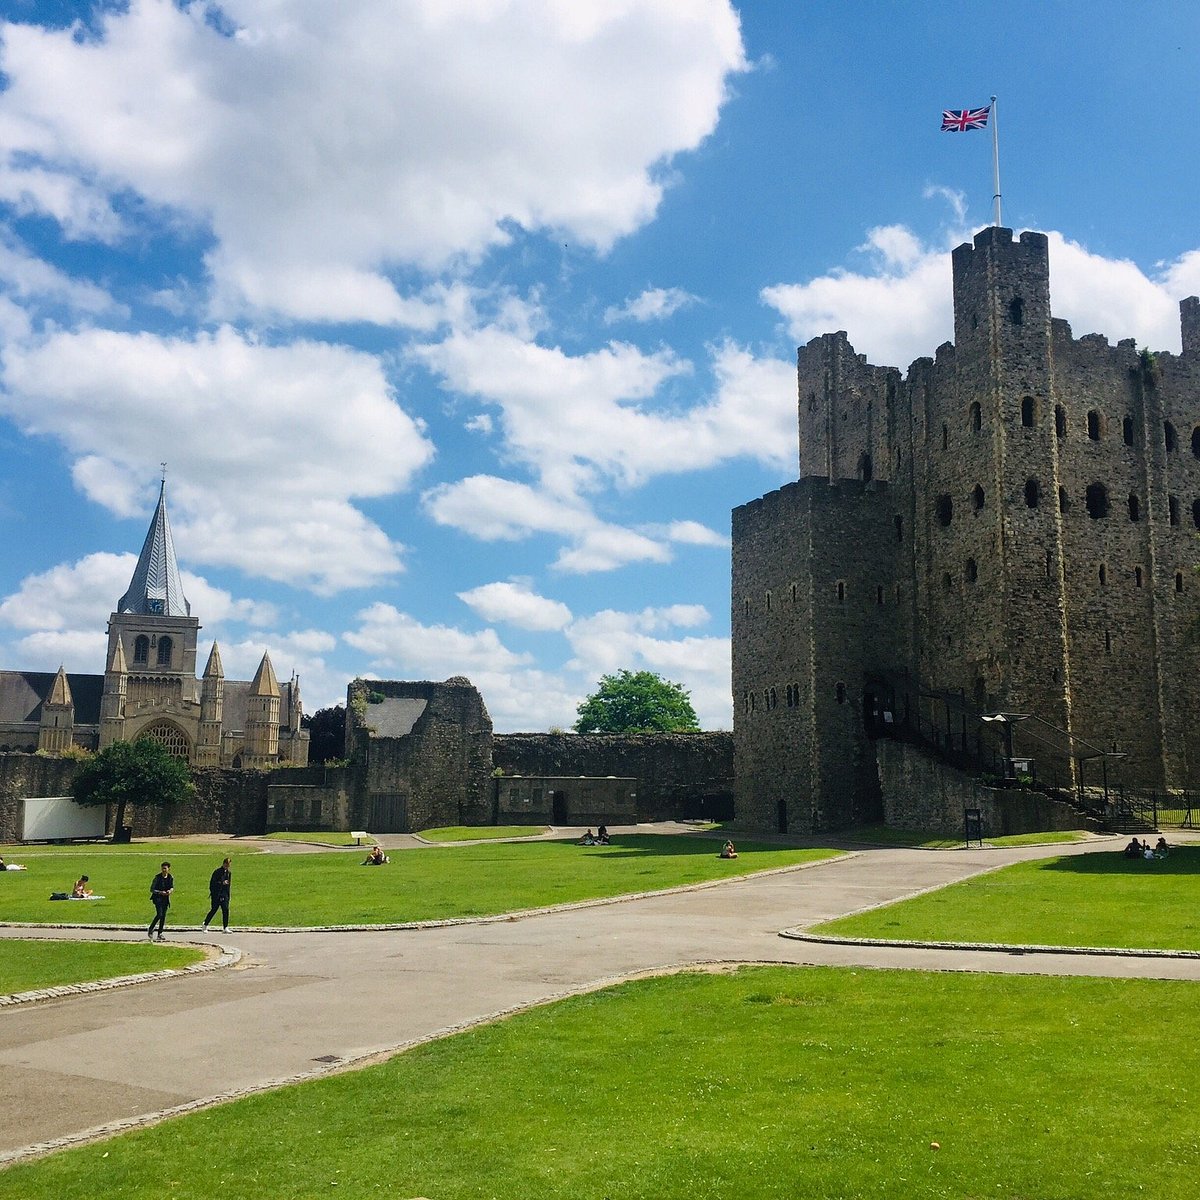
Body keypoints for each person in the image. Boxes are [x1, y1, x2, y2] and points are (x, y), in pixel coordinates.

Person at [203, 857, 232, 932]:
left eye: (228, 865)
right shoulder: (217, 872)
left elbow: (228, 885)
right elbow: (212, 884)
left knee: (226, 910)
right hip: (216, 894)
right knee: (214, 909)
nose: (227, 866)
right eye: (226, 864)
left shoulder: (229, 873)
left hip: (224, 894)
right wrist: (221, 883)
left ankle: (225, 927)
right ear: (223, 863)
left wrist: (228, 895)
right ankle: (205, 924)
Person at [148, 861, 174, 941]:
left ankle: (160, 933)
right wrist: (160, 892)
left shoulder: (170, 877)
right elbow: (152, 889)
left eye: (165, 868)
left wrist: (170, 891)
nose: (163, 870)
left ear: (168, 869)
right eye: (162, 868)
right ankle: (151, 929)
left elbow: (172, 887)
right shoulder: (157, 877)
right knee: (159, 914)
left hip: (165, 899)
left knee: (163, 916)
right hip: (157, 898)